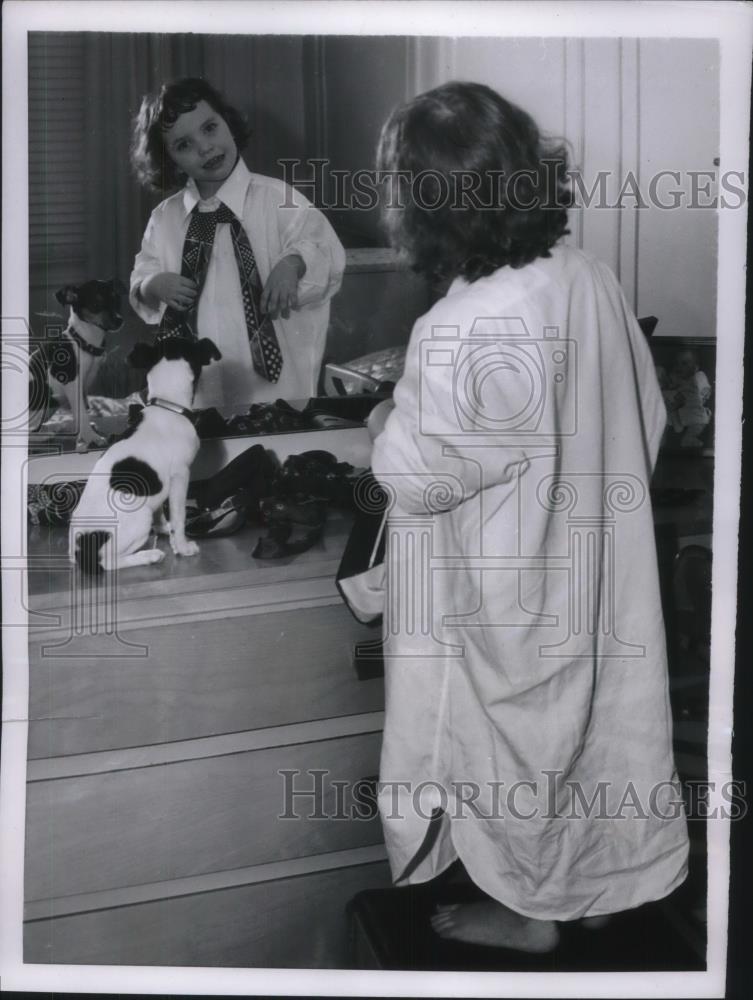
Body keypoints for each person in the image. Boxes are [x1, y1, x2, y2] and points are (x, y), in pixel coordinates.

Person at [369, 81, 689, 952]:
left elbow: (418, 478)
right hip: (599, 562)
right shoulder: (586, 276)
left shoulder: (456, 329)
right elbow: (646, 417)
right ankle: (591, 893)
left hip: (509, 588)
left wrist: (382, 428)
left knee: (518, 750)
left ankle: (529, 912)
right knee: (599, 737)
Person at [129, 78, 346, 409]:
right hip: (195, 396)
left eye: (210, 128)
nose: (205, 147)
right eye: (184, 145)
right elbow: (142, 274)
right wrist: (151, 284)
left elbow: (324, 250)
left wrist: (292, 263)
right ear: (168, 160)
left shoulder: (278, 199)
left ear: (228, 123)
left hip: (278, 393)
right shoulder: (165, 220)